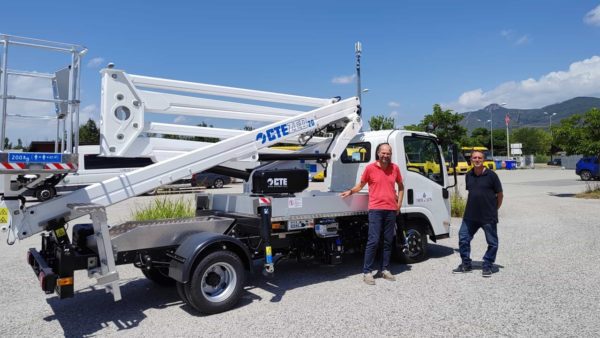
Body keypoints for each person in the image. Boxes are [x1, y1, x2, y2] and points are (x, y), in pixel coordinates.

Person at [340, 143, 404, 285]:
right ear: (378, 153)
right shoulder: (370, 168)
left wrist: (398, 204)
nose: (386, 156)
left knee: (388, 241)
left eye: (388, 153)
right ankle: (367, 272)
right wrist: (350, 191)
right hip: (375, 210)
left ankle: (384, 269)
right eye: (383, 153)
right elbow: (361, 185)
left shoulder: (395, 169)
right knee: (373, 241)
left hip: (391, 210)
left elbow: (401, 187)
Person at [453, 150, 503, 277]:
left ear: (484, 160)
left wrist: (494, 209)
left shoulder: (492, 176)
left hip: (488, 216)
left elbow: (500, 195)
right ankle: (466, 264)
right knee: (463, 238)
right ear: (471, 160)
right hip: (470, 215)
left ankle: (487, 265)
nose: (476, 160)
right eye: (474, 158)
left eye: (479, 158)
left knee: (492, 242)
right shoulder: (469, 175)